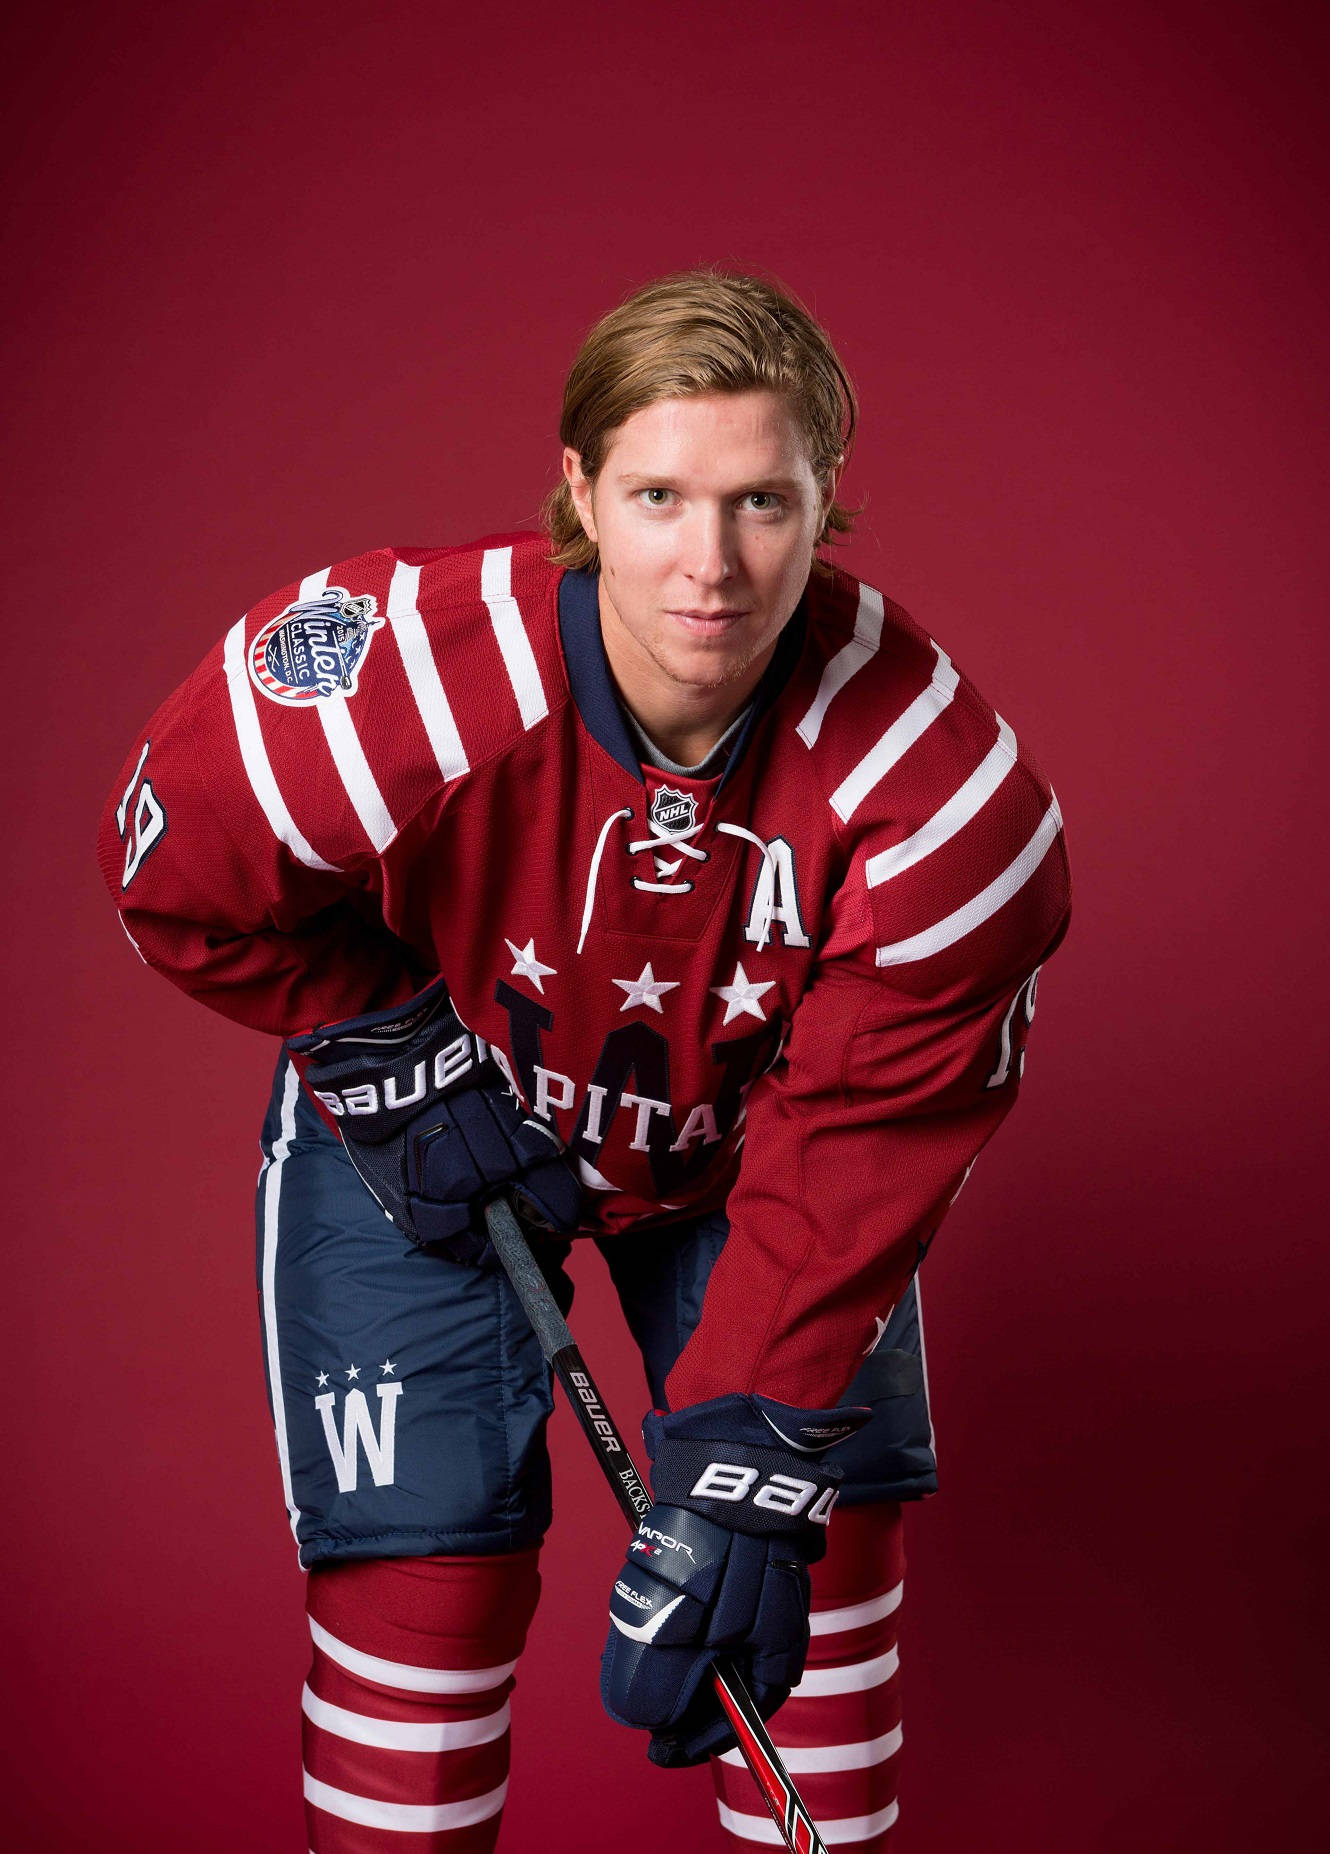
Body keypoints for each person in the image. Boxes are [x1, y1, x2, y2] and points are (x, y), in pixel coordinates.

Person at [98, 268, 1071, 1852]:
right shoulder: (389, 676)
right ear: (577, 494)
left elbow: (868, 1127)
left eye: (762, 498)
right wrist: (376, 1029)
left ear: (828, 498)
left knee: (809, 1550)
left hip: (755, 1154)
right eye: (658, 494)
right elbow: (176, 869)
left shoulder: (944, 800)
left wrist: (754, 1455)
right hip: (438, 1120)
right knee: (427, 1558)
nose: (709, 562)